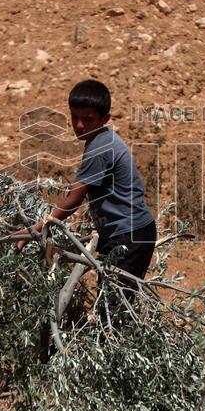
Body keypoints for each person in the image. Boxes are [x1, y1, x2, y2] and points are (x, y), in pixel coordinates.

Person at [16, 79, 158, 285]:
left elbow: (74, 199)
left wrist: (36, 228)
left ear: (105, 119)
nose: (79, 125)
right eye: (75, 117)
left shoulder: (100, 147)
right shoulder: (100, 139)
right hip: (127, 232)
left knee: (112, 299)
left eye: (88, 119)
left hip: (129, 235)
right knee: (112, 295)